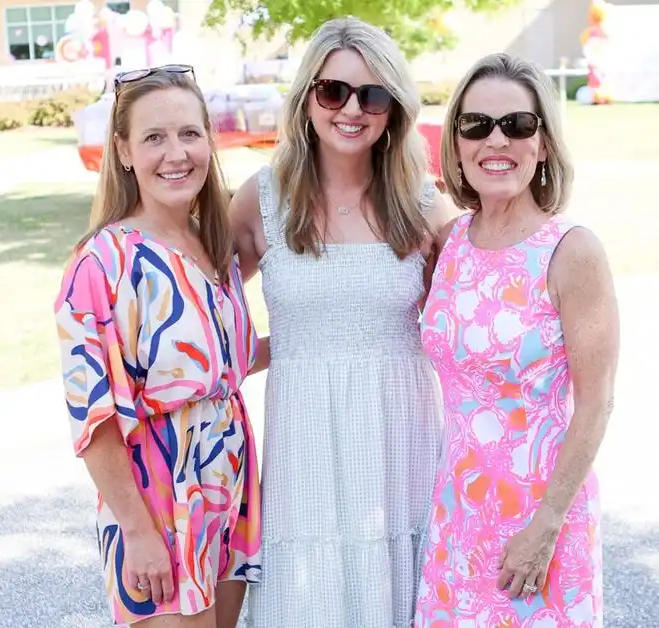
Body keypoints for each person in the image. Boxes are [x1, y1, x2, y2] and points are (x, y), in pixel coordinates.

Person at [230, 17, 451, 628]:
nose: (352, 109)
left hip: (397, 445)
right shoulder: (264, 198)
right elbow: (202, 309)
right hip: (304, 444)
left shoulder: (424, 205)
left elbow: (475, 316)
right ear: (307, 98)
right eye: (334, 91)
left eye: (373, 95)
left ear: (394, 110)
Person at [54, 65, 264, 628]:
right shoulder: (103, 263)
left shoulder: (212, 249)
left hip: (227, 488)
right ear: (122, 151)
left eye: (189, 134)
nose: (176, 153)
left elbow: (227, 363)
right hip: (157, 500)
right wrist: (138, 532)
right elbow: (92, 417)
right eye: (154, 137)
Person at [416, 52, 619, 626]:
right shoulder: (450, 242)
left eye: (518, 125)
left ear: (544, 143)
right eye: (476, 125)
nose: (495, 141)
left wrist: (547, 523)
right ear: (456, 142)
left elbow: (597, 401)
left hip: (540, 521)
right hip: (456, 515)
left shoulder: (572, 251)